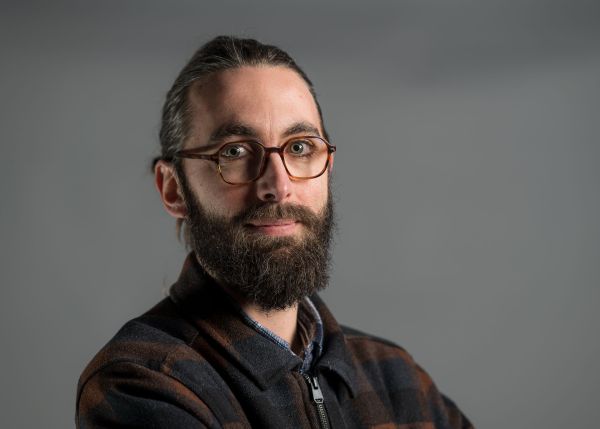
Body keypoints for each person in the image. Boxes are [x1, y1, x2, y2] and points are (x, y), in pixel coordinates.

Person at [76, 35, 474, 429]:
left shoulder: (395, 378)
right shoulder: (144, 383)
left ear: (328, 166)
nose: (278, 185)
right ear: (173, 189)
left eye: (300, 148)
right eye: (234, 151)